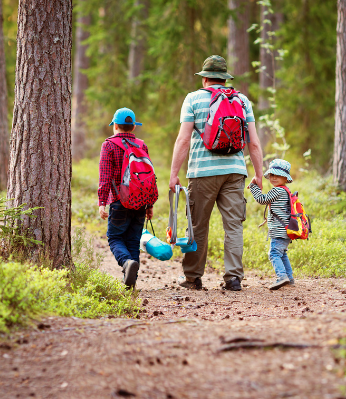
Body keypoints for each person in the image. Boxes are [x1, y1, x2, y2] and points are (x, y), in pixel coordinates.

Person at [167, 55, 266, 291]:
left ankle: (192, 278)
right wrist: (258, 174)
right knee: (233, 226)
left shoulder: (192, 99)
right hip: (235, 171)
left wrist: (174, 174)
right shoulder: (242, 100)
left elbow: (183, 140)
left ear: (205, 79)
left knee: (198, 225)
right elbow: (253, 143)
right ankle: (233, 278)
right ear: (224, 78)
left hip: (202, 173)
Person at [98, 108, 154, 288]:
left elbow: (105, 177)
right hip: (140, 202)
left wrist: (101, 203)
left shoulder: (108, 145)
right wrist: (149, 204)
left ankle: (125, 263)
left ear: (115, 125)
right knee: (132, 240)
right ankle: (131, 283)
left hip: (118, 201)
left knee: (114, 238)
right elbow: (148, 177)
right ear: (133, 128)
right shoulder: (141, 145)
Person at [249, 159, 296, 290]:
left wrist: (253, 186)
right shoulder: (286, 190)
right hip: (286, 230)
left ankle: (282, 277)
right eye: (272, 175)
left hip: (279, 231)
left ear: (285, 178)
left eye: (278, 175)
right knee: (282, 253)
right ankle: (289, 278)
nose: (274, 178)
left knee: (274, 253)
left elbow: (261, 199)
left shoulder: (277, 191)